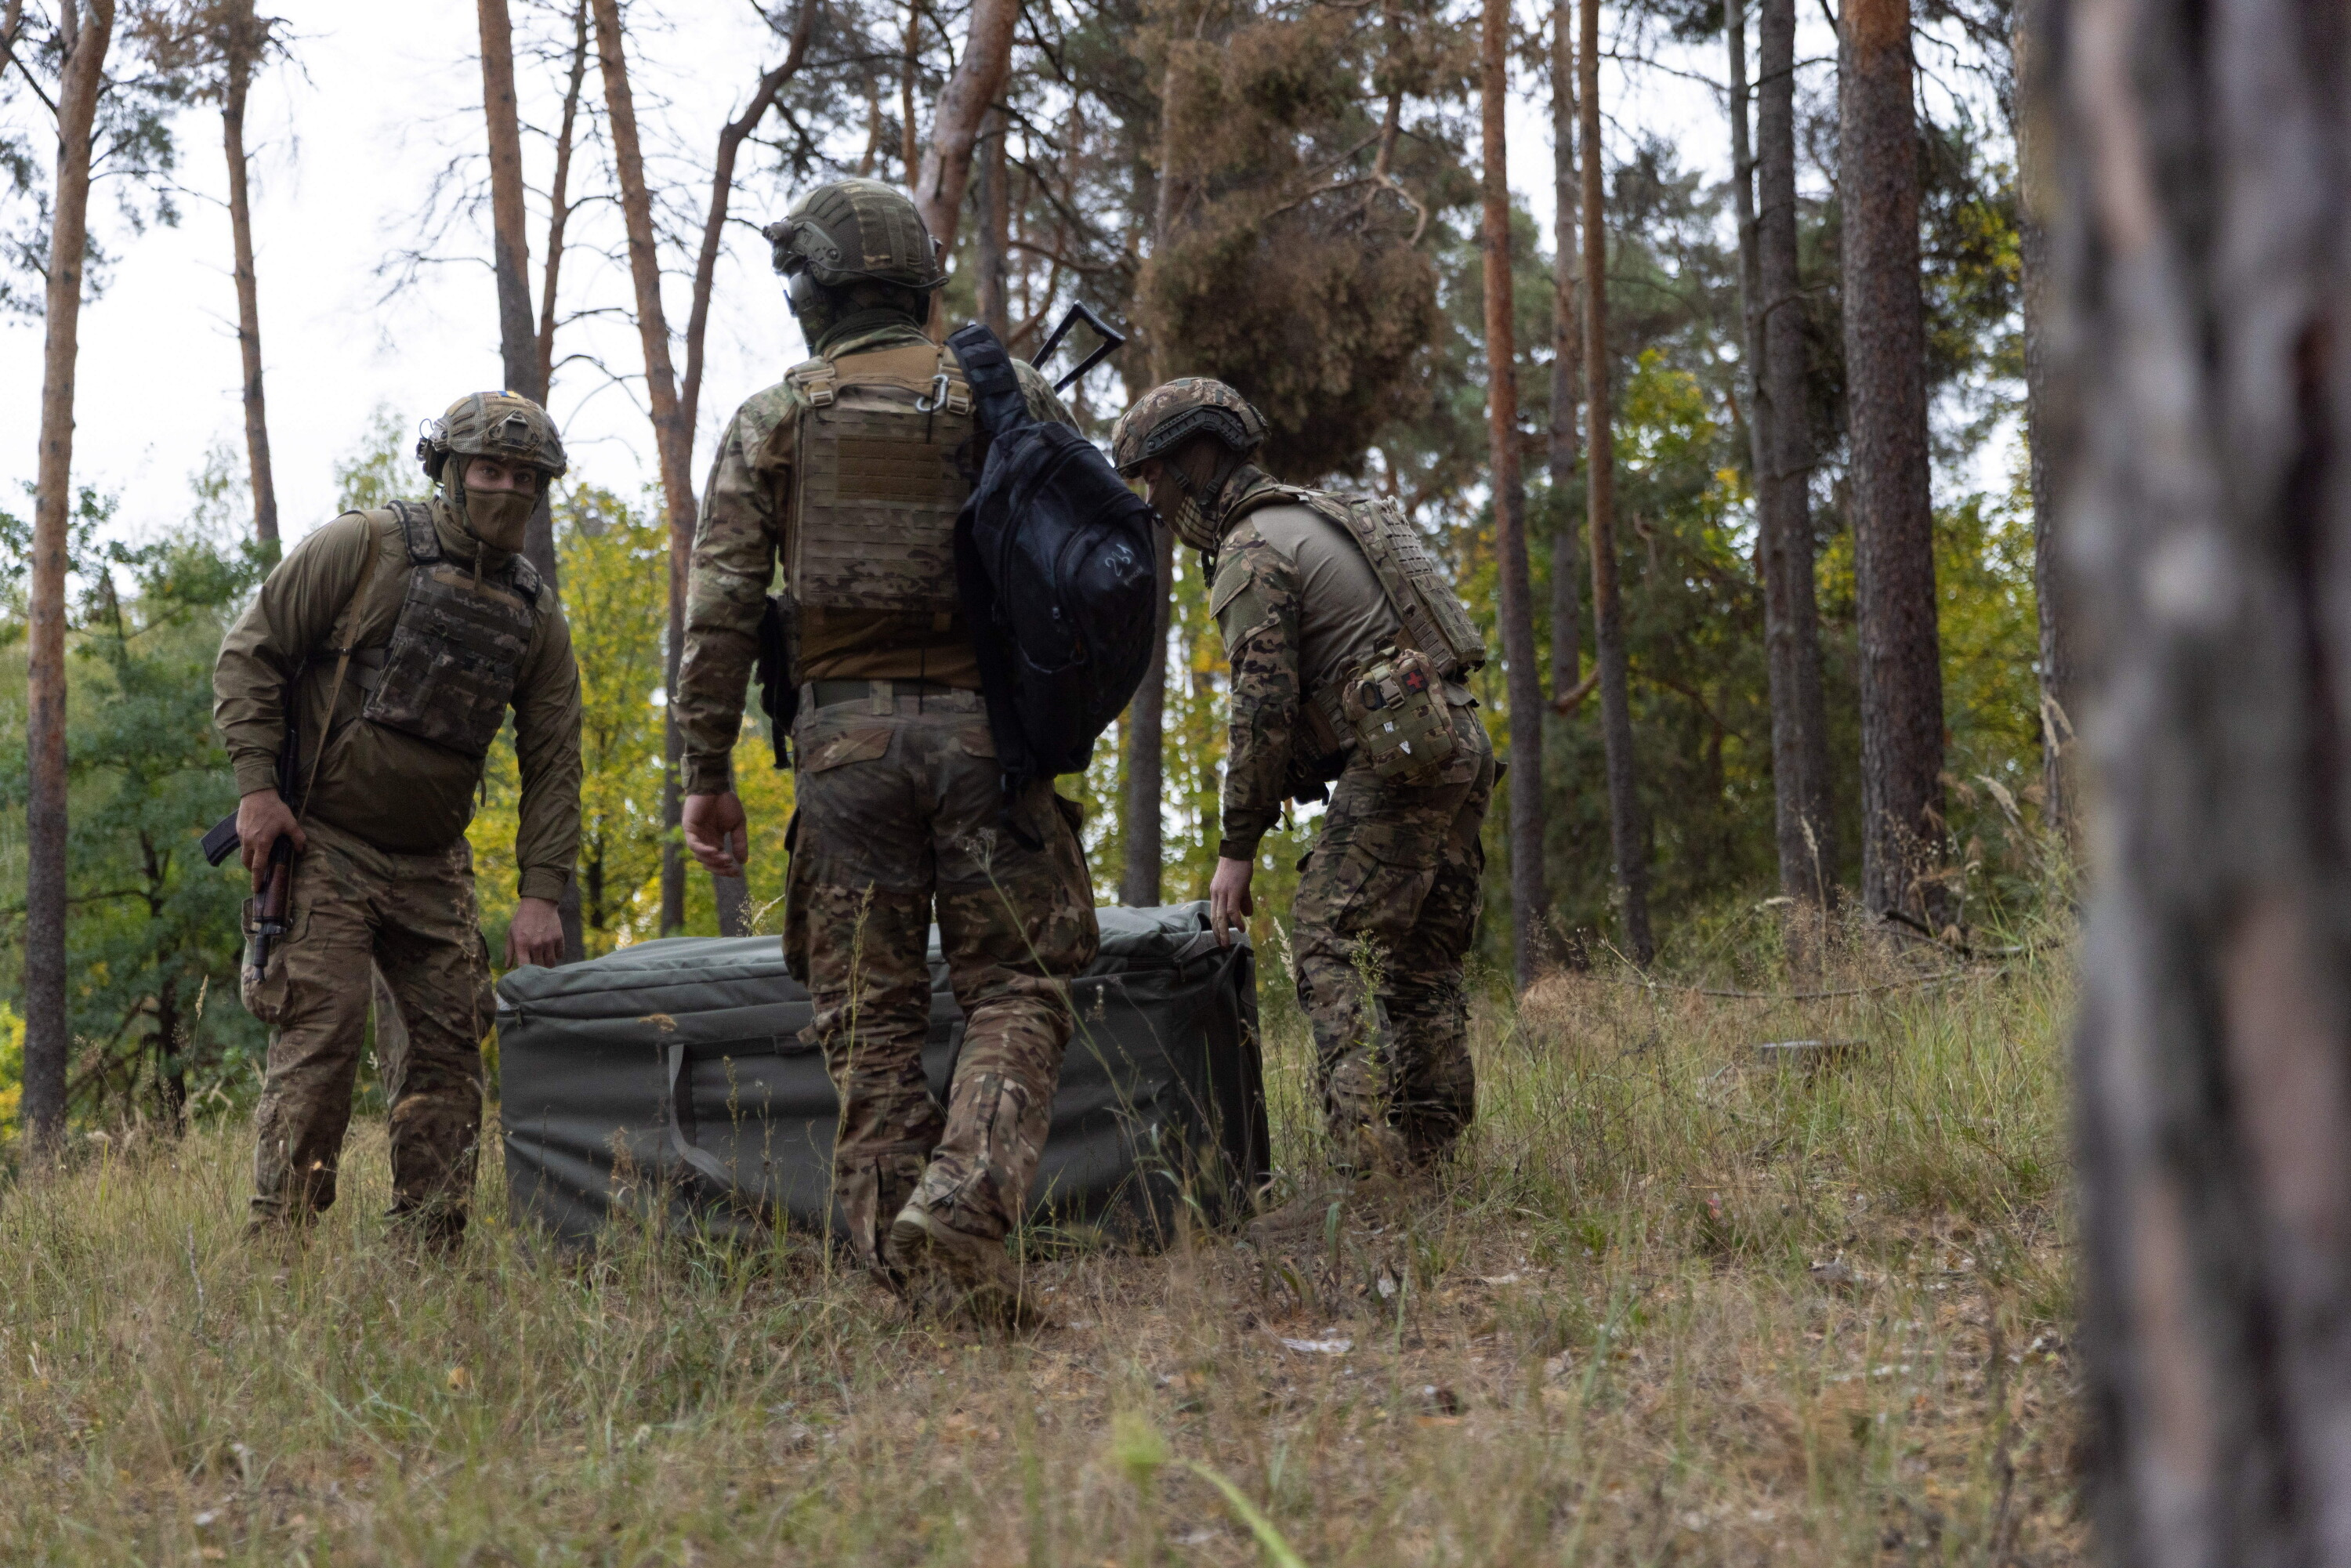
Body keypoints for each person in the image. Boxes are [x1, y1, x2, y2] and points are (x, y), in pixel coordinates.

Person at [675, 178, 1096, 1324]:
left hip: (842, 749)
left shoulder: (774, 417)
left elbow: (718, 611)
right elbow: (1090, 567)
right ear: (918, 286)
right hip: (986, 739)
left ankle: (905, 1283)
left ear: (811, 291)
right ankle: (961, 1209)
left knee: (870, 1015)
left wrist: (705, 773)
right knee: (1018, 983)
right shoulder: (1005, 398)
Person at [214, 391, 582, 1244]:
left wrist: (541, 891)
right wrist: (257, 791)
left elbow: (555, 759)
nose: (508, 489)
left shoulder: (535, 614)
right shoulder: (365, 546)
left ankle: (431, 1255)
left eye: (526, 477)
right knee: (321, 1047)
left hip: (432, 862)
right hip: (325, 842)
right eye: (491, 469)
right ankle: (281, 1259)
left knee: (452, 1056)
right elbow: (251, 653)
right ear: (449, 472)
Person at [1111, 378, 1495, 1172]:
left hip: (1404, 758)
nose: (1152, 500)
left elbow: (1262, 712)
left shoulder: (1251, 554)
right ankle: (1435, 1164)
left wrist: (1235, 845)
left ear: (1198, 458)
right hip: (1457, 742)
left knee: (1328, 943)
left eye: (1153, 474)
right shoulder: (1315, 514)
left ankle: (1365, 1168)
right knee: (1421, 966)